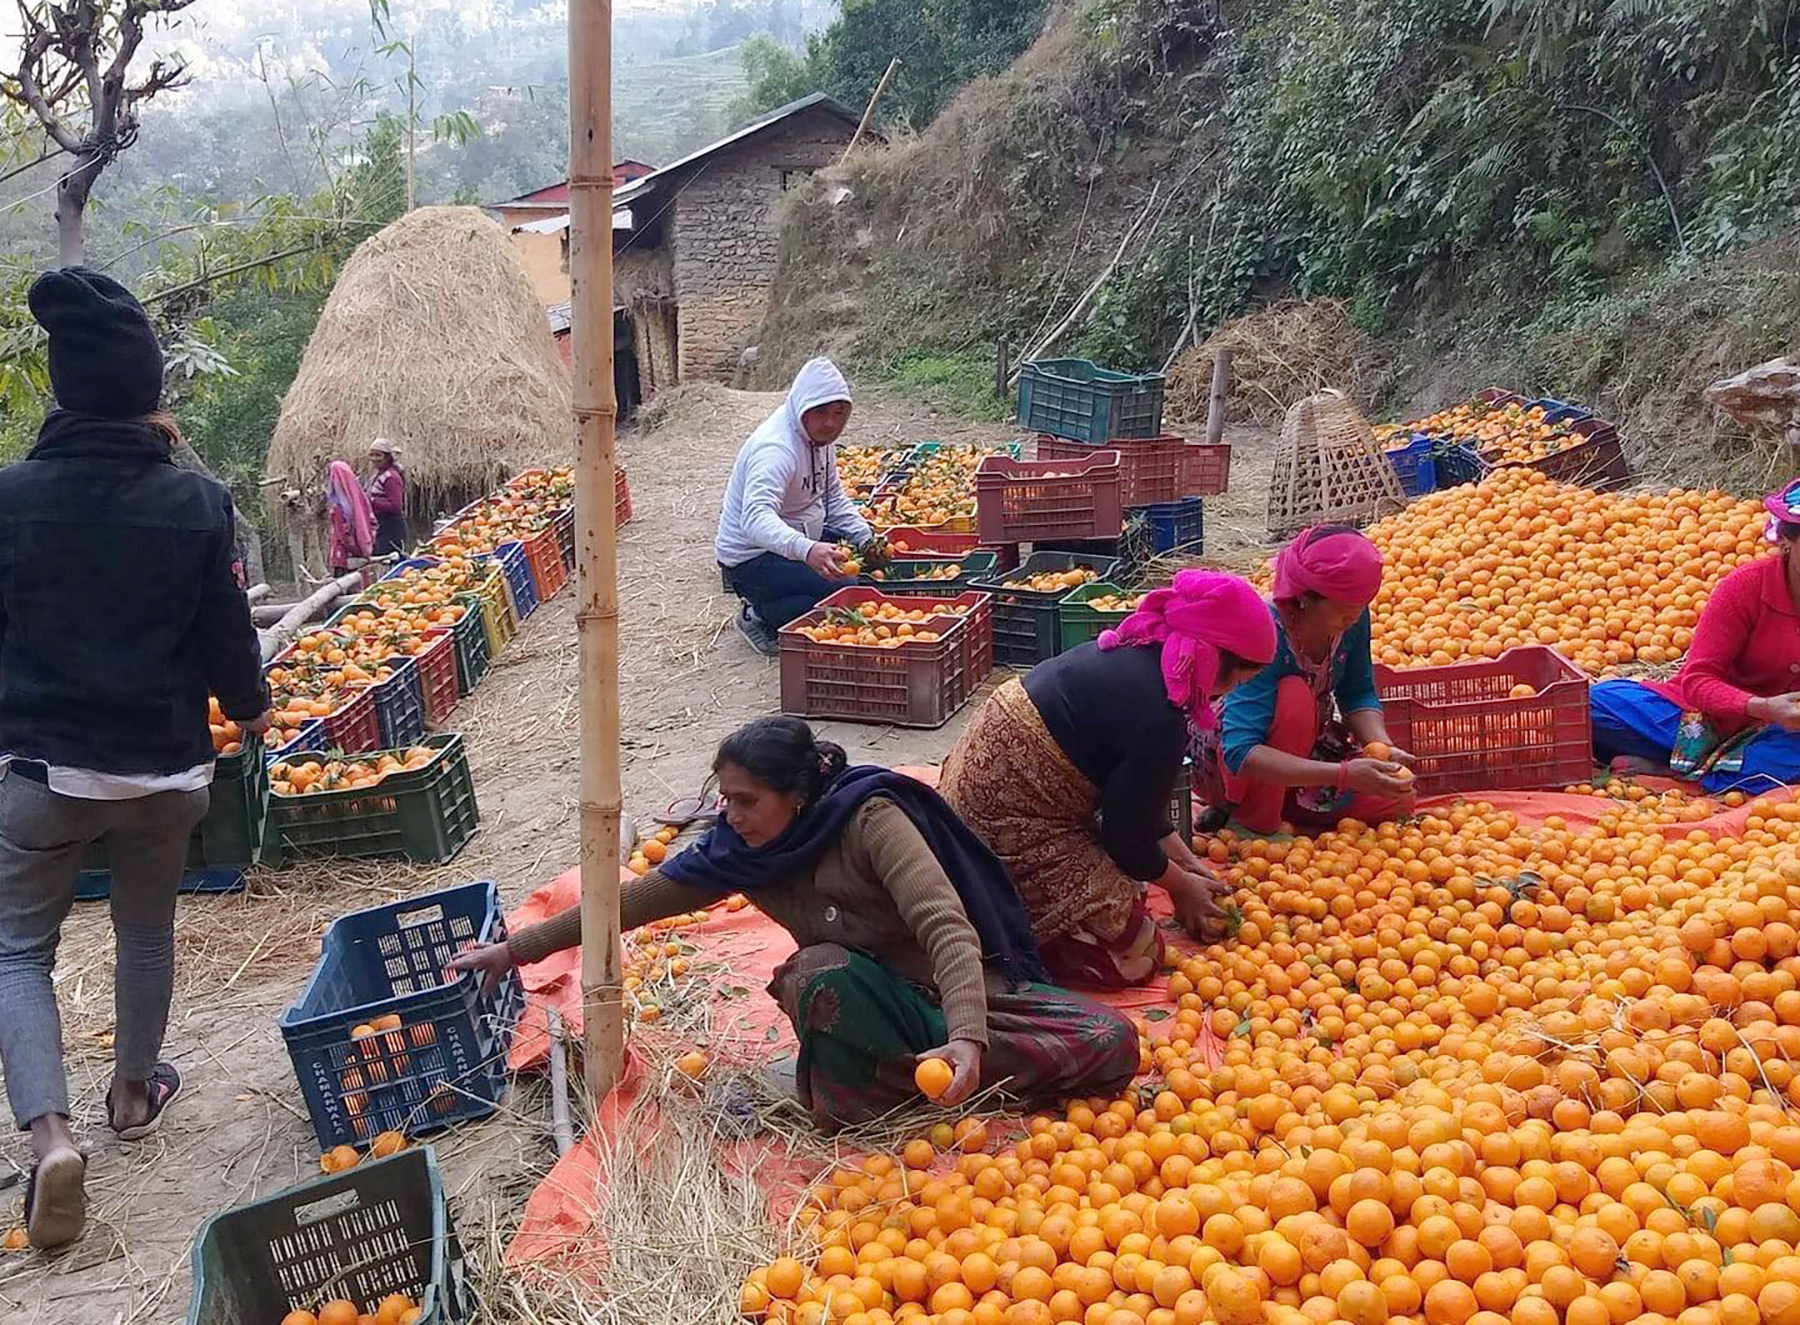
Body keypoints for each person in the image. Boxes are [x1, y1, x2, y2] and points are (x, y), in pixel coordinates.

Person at [450, 717, 1137, 1128]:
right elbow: (625, 903)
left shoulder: (872, 820)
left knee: (1110, 1038)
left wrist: (967, 1037)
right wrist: (514, 950)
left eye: (747, 800)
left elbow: (947, 926)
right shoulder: (738, 850)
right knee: (818, 971)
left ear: (798, 796)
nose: (731, 815)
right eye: (725, 799)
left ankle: (925, 1075)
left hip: (952, 994)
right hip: (870, 1001)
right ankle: (904, 1081)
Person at [0, 268, 271, 1249]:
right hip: (167, 772)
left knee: (18, 948)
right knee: (144, 930)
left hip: (47, 772)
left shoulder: (11, 498)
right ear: (148, 391)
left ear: (64, 390)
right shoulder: (196, 499)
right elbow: (227, 641)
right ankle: (132, 1095)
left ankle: (49, 1134)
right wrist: (250, 712)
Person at [939, 571, 1277, 988]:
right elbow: (1126, 839)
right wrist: (1180, 886)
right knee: (1134, 952)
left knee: (1134, 885)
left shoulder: (1139, 654)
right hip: (998, 825)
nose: (1224, 696)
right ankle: (1008, 937)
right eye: (1238, 680)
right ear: (1214, 658)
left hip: (971, 792)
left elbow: (1137, 801)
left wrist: (1189, 865)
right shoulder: (1160, 714)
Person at [1204, 525, 1416, 835]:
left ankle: (1290, 805)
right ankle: (1251, 820)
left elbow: (1357, 693)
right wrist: (1342, 775)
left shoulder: (1352, 620)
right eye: (1345, 608)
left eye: (1361, 605)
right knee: (1294, 696)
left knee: (1398, 799)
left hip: (1305, 752)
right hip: (1230, 760)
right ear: (1304, 599)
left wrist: (1380, 746)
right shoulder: (1266, 633)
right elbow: (1240, 751)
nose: (1355, 617)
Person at [1590, 482, 1800, 793]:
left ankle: (1683, 775)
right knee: (1593, 705)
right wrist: (1763, 706)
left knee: (1784, 755)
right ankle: (1719, 770)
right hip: (1702, 718)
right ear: (1785, 540)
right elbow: (1698, 679)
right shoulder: (1744, 588)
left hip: (1782, 735)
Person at [715, 358, 873, 656]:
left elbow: (833, 498)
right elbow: (756, 519)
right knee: (843, 591)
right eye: (820, 413)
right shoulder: (775, 449)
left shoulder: (820, 441)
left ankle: (779, 598)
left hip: (793, 538)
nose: (830, 422)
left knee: (856, 578)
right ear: (802, 409)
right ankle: (759, 615)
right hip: (753, 557)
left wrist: (866, 537)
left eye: (838, 413)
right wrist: (807, 550)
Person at [325, 459, 375, 576]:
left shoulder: (339, 505)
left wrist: (351, 548)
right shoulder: (360, 499)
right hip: (358, 552)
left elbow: (343, 534)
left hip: (345, 556)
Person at [365, 437, 408, 556]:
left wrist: (371, 501)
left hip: (391, 527)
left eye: (378, 455)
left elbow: (396, 506)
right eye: (372, 455)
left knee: (387, 558)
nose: (374, 459)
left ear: (387, 457)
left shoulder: (391, 477)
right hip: (380, 524)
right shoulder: (378, 475)